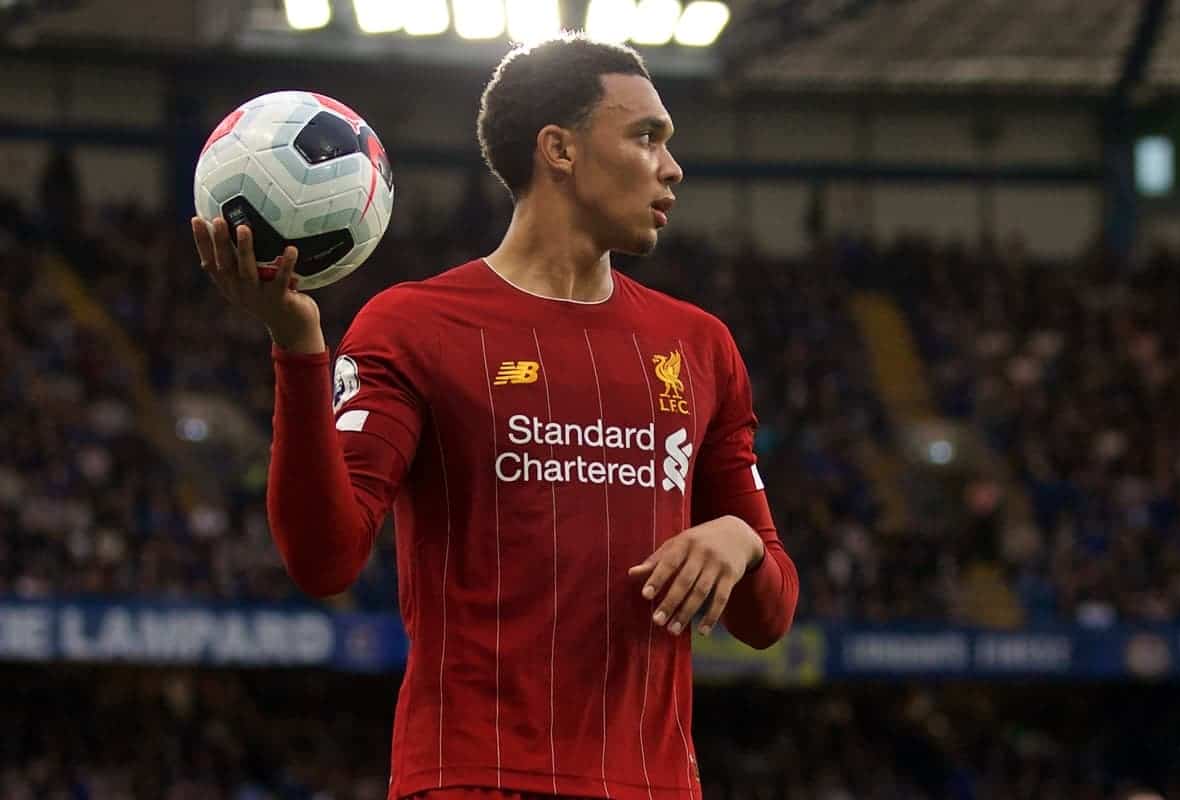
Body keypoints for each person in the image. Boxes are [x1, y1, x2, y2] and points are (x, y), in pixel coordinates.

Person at [191, 32, 798, 800]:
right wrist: (297, 345)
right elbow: (326, 558)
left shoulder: (700, 348)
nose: (672, 166)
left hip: (654, 785)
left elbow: (769, 615)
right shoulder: (415, 327)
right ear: (560, 149)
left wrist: (742, 542)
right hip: (471, 779)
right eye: (646, 137)